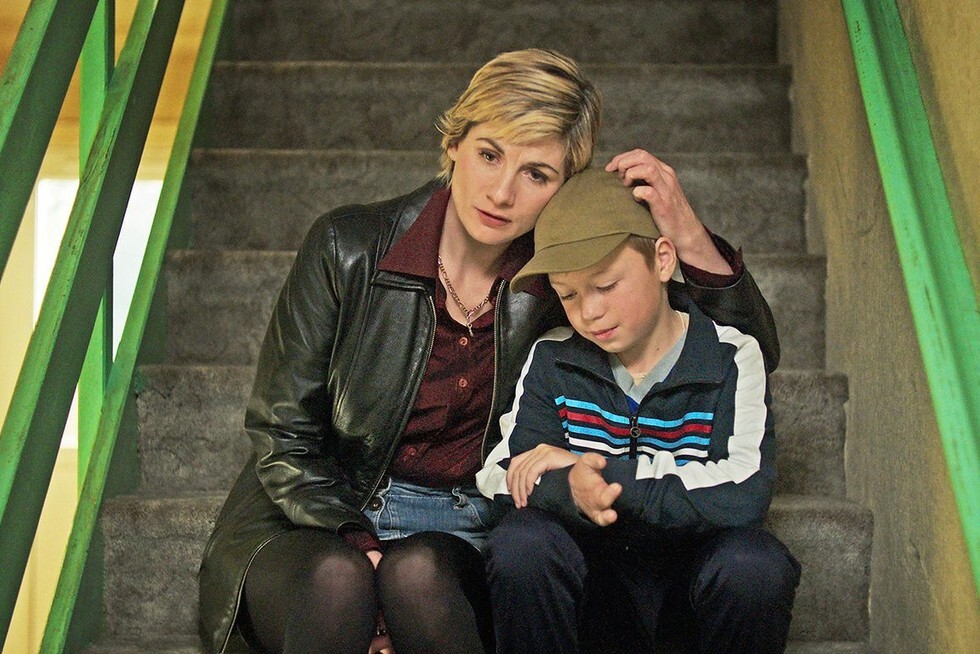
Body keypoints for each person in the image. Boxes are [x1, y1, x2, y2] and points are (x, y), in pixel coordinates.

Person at [197, 48, 781, 654]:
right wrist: (359, 542)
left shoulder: (564, 284)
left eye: (537, 174)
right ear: (453, 143)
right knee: (339, 583)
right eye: (489, 154)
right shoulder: (346, 247)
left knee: (419, 578)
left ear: (563, 190)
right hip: (321, 513)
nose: (502, 192)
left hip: (467, 529)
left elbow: (739, 355)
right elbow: (282, 431)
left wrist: (685, 232)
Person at [476, 168, 801, 654]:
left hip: (689, 588)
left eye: (606, 285)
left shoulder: (731, 356)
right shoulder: (553, 357)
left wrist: (597, 475)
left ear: (662, 260)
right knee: (522, 543)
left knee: (755, 566)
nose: (589, 312)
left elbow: (744, 492)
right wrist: (570, 489)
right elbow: (502, 476)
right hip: (594, 596)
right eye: (568, 294)